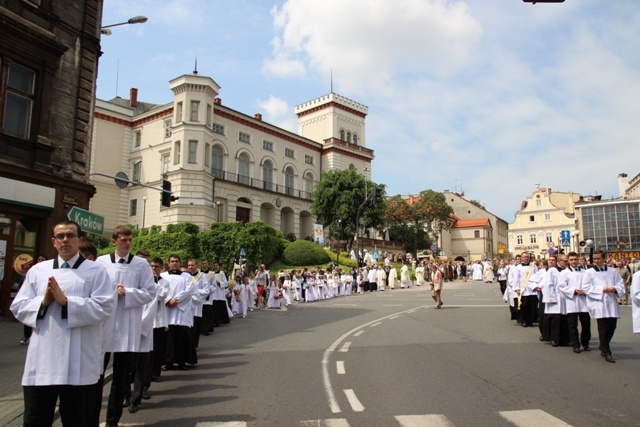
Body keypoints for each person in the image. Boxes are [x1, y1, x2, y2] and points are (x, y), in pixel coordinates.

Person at [11, 220, 115, 426]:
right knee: (35, 418)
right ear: (53, 241)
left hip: (79, 360)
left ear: (80, 240)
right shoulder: (38, 271)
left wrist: (67, 303)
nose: (65, 240)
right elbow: (18, 306)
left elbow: (105, 307)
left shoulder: (96, 271)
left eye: (70, 235)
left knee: (77, 419)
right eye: (60, 236)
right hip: (42, 360)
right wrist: (44, 302)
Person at [97, 226, 156, 426]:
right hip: (104, 326)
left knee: (120, 379)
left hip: (127, 327)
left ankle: (112, 421)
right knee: (96, 377)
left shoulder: (140, 264)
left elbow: (150, 292)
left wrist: (128, 292)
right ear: (114, 241)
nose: (127, 243)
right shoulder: (101, 263)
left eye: (130, 239)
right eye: (123, 239)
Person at [582, 250, 625, 363]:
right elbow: (586, 288)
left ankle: (604, 345)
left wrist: (615, 288)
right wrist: (602, 289)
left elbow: (620, 284)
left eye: (598, 258)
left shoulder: (612, 271)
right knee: (603, 328)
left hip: (611, 301)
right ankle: (606, 351)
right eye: (594, 259)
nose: (596, 261)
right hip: (599, 302)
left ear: (604, 259)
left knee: (612, 326)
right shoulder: (589, 272)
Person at [161, 255, 195, 370]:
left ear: (180, 263)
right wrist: (168, 300)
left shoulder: (187, 276)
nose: (174, 263)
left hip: (182, 311)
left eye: (176, 261)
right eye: (172, 261)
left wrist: (176, 300)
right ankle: (168, 362)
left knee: (182, 337)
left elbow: (189, 290)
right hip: (168, 310)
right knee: (169, 338)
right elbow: (160, 290)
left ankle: (182, 361)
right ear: (168, 263)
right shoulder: (163, 276)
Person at [559, 252, 591, 353]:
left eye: (575, 259)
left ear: (578, 260)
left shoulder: (584, 272)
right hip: (571, 300)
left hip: (584, 301)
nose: (574, 261)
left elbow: (589, 284)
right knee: (572, 325)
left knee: (586, 324)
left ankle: (585, 343)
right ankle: (575, 344)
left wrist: (585, 291)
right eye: (571, 260)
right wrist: (574, 291)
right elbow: (562, 286)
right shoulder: (564, 273)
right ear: (568, 261)